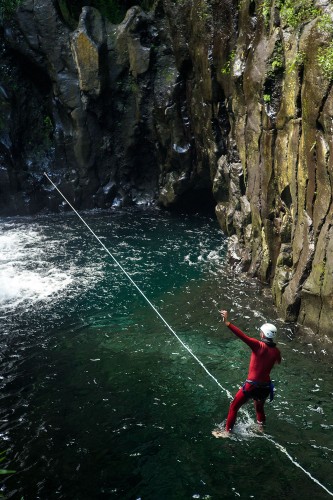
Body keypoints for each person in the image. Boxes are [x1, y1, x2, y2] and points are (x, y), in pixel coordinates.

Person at [214, 310, 281, 437]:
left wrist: (227, 323)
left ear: (263, 334)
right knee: (259, 407)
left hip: (252, 385)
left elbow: (242, 336)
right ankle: (261, 427)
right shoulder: (276, 351)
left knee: (234, 406)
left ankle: (227, 432)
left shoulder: (258, 346)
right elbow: (278, 361)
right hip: (266, 386)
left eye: (261, 331)